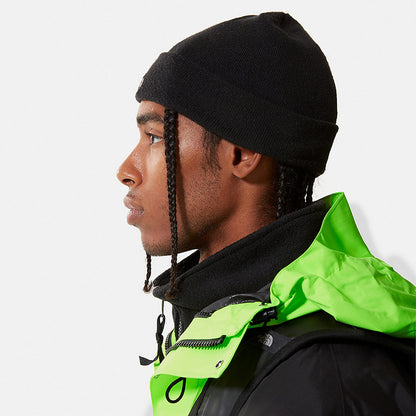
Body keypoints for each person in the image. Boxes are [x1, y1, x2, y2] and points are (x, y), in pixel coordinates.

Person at [117, 12, 415, 415]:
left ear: (242, 154)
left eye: (155, 138)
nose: (126, 170)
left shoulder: (324, 375)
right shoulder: (234, 325)